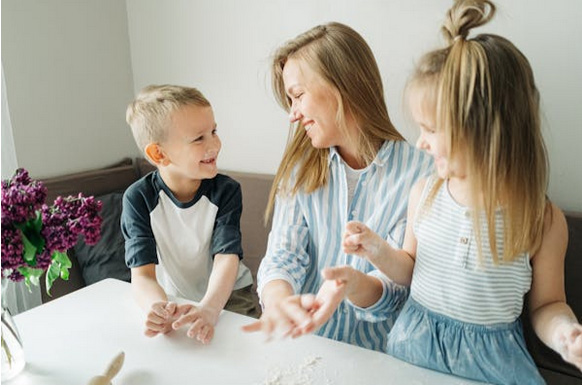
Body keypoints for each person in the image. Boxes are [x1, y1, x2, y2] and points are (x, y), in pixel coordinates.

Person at [328, 0, 582, 383]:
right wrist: (378, 250)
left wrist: (565, 334)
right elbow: (410, 270)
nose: (420, 142)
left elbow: (548, 304)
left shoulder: (541, 220)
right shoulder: (425, 194)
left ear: (483, 131)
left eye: (430, 129)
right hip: (413, 350)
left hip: (492, 367)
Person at [242, 22, 433, 352]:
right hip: (304, 347)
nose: (293, 114)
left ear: (344, 86)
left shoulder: (422, 173)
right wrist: (278, 302)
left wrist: (353, 285)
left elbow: (401, 287)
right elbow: (283, 255)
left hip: (380, 358)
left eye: (298, 96)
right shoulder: (299, 169)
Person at [122, 84, 259, 344]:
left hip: (228, 294)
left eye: (214, 131)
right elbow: (142, 276)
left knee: (240, 350)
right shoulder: (137, 199)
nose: (215, 144)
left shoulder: (226, 191)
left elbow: (226, 259)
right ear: (158, 153)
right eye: (199, 138)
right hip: (175, 298)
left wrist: (209, 308)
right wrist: (157, 307)